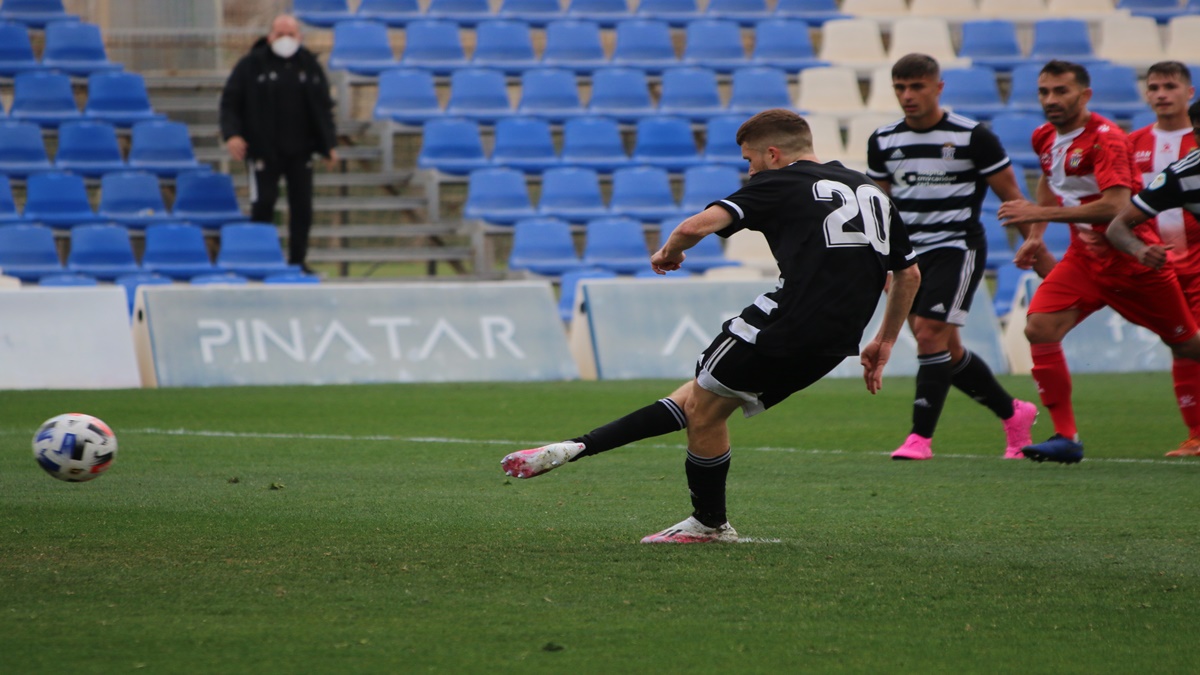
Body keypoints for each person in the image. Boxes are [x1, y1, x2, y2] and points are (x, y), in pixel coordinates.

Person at [500, 109, 921, 544]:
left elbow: (695, 226)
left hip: (782, 324)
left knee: (702, 407)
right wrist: (885, 340)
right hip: (836, 342)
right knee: (704, 399)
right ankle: (578, 447)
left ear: (772, 154)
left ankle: (708, 523)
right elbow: (909, 276)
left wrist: (669, 253)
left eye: (749, 159)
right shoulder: (871, 190)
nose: (750, 169)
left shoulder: (777, 182)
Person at [998, 60, 1200, 463]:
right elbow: (1051, 181)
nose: (1051, 100)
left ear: (1085, 95)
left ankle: (1195, 434)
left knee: (1187, 345)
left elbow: (1116, 206)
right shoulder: (1044, 137)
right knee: (1039, 327)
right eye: (1044, 92)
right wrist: (1036, 240)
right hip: (1084, 261)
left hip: (1134, 260)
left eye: (1061, 91)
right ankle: (1066, 437)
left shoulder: (1107, 138)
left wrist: (1037, 217)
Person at [865, 53, 1040, 461]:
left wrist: (1032, 242)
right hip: (908, 255)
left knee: (928, 334)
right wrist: (883, 263)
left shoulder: (972, 136)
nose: (908, 96)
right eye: (900, 88)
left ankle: (919, 438)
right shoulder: (883, 140)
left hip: (956, 247)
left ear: (938, 87)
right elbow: (879, 208)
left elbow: (1012, 196)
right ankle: (1014, 412)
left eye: (917, 86)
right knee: (946, 349)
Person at [1106, 98, 1200, 457]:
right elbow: (1118, 226)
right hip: (1182, 267)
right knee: (1185, 343)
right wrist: (1139, 250)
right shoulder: (1182, 174)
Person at [219, 14, 338, 274]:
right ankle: (260, 260)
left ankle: (298, 261)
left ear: (300, 37)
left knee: (302, 208)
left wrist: (329, 144)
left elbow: (323, 108)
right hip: (263, 151)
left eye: (290, 34)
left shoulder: (309, 65)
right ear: (270, 35)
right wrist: (232, 134)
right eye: (280, 33)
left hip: (300, 151)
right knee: (264, 203)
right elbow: (230, 102)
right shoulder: (252, 64)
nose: (285, 39)